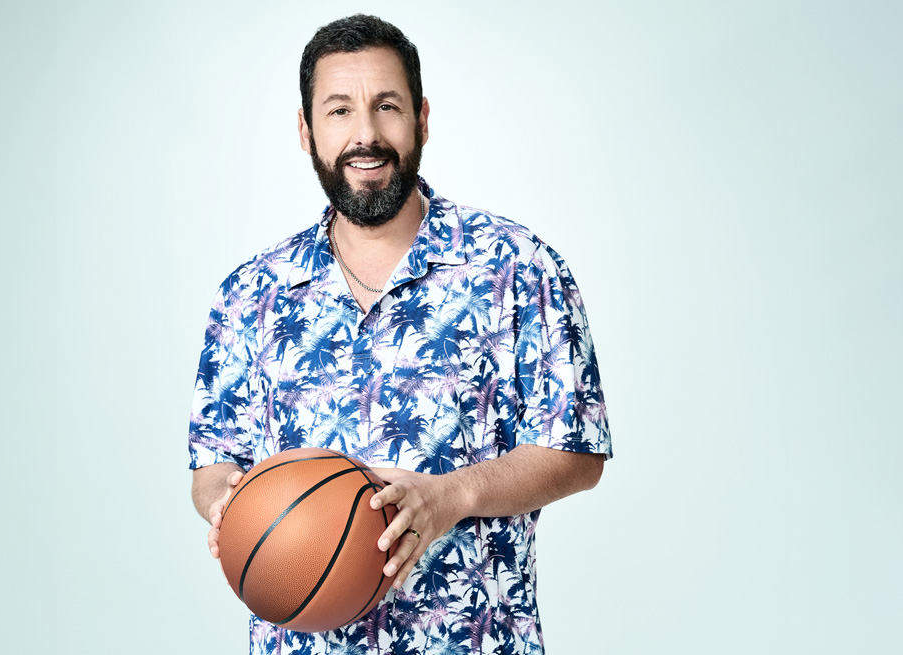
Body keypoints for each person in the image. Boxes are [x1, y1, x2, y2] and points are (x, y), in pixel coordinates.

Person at [189, 14, 612, 655]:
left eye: (387, 106)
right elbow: (214, 462)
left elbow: (578, 453)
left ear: (421, 117)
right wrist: (232, 504)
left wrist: (452, 495)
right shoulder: (250, 294)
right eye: (338, 111)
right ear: (305, 130)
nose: (365, 134)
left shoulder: (517, 267)